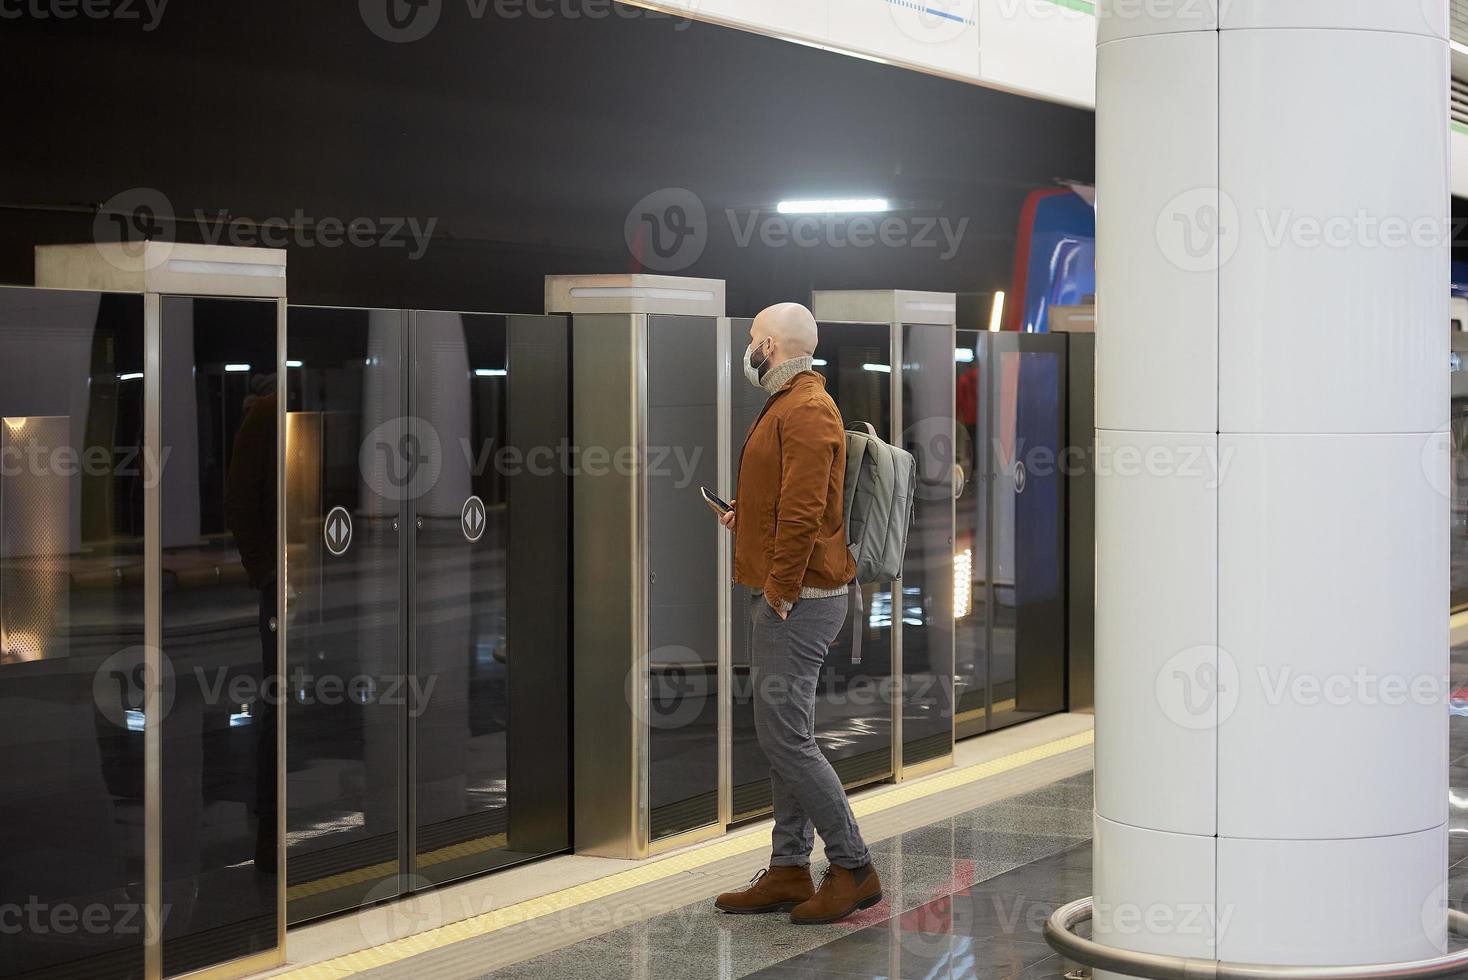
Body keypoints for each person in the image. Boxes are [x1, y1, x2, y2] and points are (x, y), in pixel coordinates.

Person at [712, 302, 882, 925]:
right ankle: (788, 869)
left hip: (801, 600)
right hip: (790, 591)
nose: (749, 349)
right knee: (787, 737)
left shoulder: (808, 408)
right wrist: (744, 515)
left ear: (774, 346)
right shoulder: (790, 402)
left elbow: (808, 511)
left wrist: (780, 590)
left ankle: (854, 867)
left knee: (786, 737)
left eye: (754, 339)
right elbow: (784, 496)